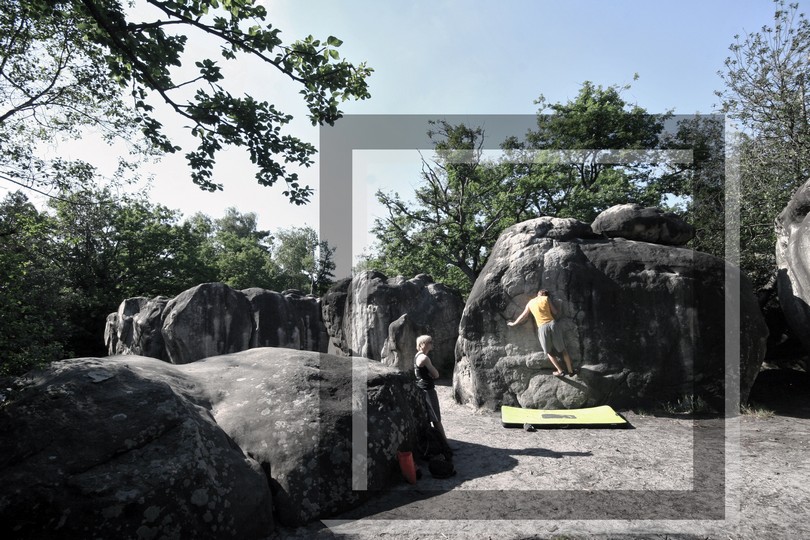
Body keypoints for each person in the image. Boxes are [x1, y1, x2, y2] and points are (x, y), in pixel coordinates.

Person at [507, 289, 576, 377]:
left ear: (538, 294)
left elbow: (523, 315)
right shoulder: (546, 299)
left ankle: (560, 371)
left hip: (542, 327)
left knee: (549, 352)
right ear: (546, 295)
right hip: (552, 324)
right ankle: (570, 371)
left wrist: (514, 323)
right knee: (563, 350)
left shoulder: (531, 302)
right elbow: (555, 312)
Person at [414, 335, 449, 445]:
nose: (432, 344)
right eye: (430, 342)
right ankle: (445, 444)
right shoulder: (424, 358)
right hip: (428, 390)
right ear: (422, 344)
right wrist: (432, 373)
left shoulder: (417, 356)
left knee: (429, 418)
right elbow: (436, 374)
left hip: (421, 388)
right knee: (436, 419)